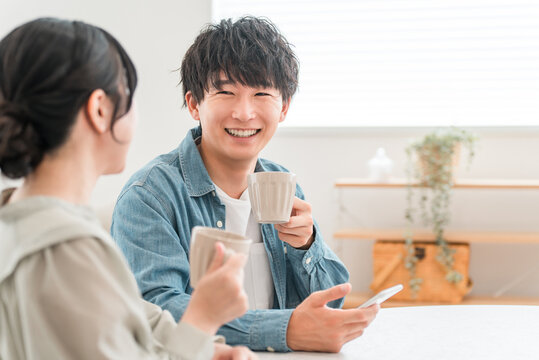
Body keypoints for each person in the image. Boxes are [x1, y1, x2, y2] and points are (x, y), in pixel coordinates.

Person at [111, 16, 379, 353]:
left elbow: (329, 308)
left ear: (283, 108)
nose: (244, 112)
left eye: (261, 93)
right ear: (194, 104)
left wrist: (306, 246)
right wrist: (284, 330)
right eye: (226, 92)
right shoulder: (149, 196)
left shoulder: (284, 186)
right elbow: (158, 310)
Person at [0, 17, 256, 360]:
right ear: (100, 109)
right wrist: (202, 319)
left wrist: (201, 349)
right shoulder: (66, 251)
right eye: (130, 94)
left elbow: (125, 316)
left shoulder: (22, 224)